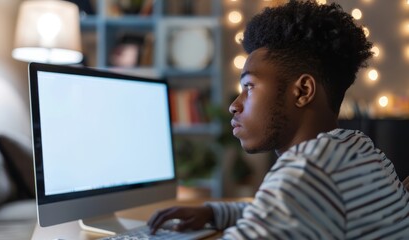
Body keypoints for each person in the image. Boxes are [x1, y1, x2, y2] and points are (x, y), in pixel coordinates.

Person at [148, 1, 409, 239]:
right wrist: (215, 213)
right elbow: (298, 207)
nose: (233, 105)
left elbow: (294, 197)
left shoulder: (308, 172)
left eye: (249, 86)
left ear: (303, 91)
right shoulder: (357, 147)